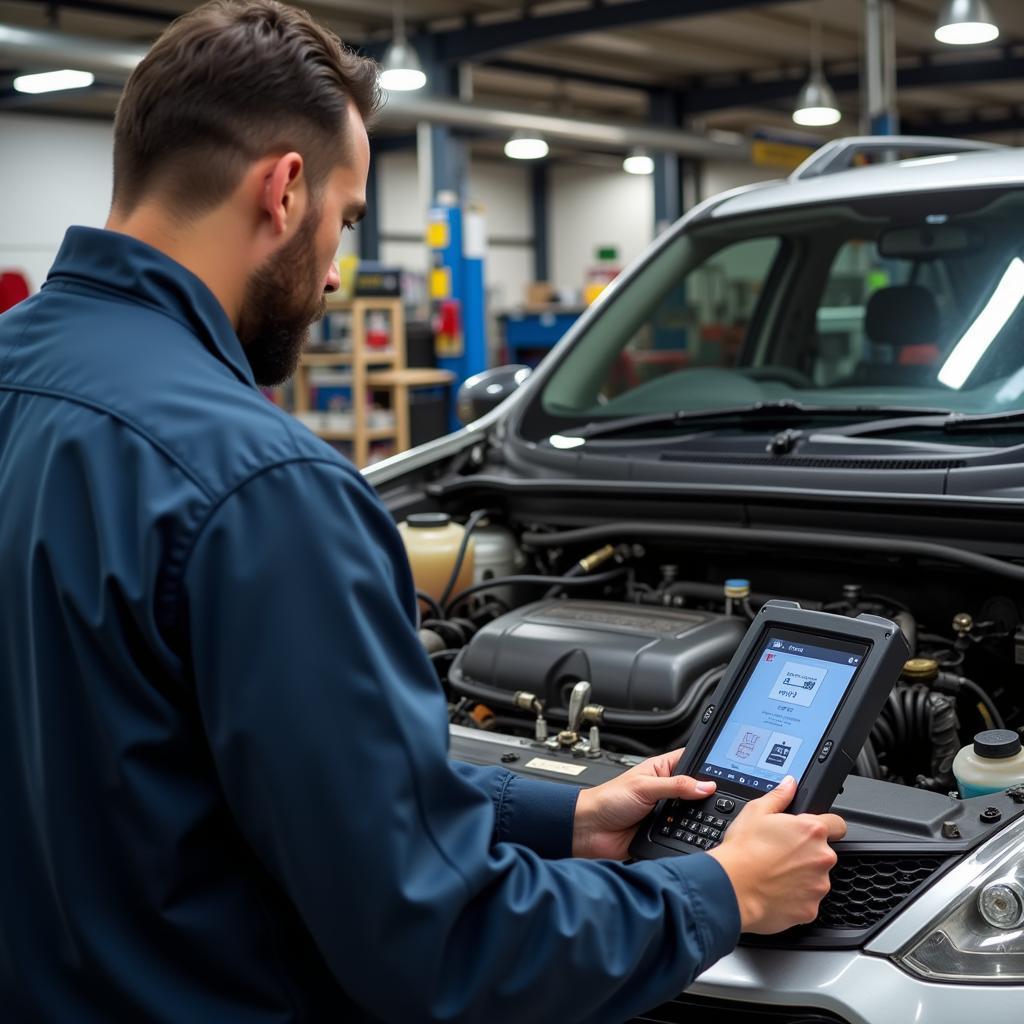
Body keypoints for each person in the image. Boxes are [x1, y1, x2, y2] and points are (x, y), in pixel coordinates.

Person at [0, 2, 845, 1021]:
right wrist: (717, 890)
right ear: (285, 188)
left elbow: (186, 774)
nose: (331, 275)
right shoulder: (264, 491)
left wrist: (560, 813)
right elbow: (440, 943)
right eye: (348, 222)